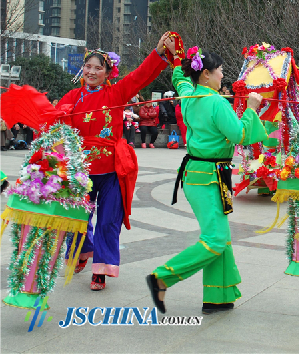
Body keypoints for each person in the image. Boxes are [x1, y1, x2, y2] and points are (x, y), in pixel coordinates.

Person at [147, 41, 268, 315]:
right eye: (220, 71)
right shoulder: (215, 102)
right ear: (206, 74)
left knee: (220, 236)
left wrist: (177, 58)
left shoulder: (189, 94)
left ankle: (218, 296)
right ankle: (163, 277)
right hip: (209, 177)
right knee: (214, 238)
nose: (223, 75)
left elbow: (179, 78)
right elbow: (240, 135)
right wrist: (251, 108)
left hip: (200, 175)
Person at [57, 32, 173, 291]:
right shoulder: (72, 97)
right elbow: (57, 122)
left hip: (111, 169)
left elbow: (140, 76)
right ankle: (82, 251)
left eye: (98, 68)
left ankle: (101, 269)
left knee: (108, 220)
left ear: (108, 72)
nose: (91, 71)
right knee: (76, 217)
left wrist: (157, 53)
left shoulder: (117, 93)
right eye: (88, 66)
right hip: (81, 171)